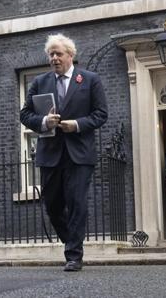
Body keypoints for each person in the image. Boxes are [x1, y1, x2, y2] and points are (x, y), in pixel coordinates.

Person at [20, 33, 108, 271]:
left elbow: (101, 114)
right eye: (51, 54)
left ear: (71, 55)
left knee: (76, 202)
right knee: (53, 205)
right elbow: (25, 114)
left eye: (58, 53)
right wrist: (44, 121)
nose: (54, 58)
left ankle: (73, 255)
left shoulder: (89, 80)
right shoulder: (40, 82)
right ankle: (72, 241)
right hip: (50, 153)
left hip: (79, 153)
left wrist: (77, 124)